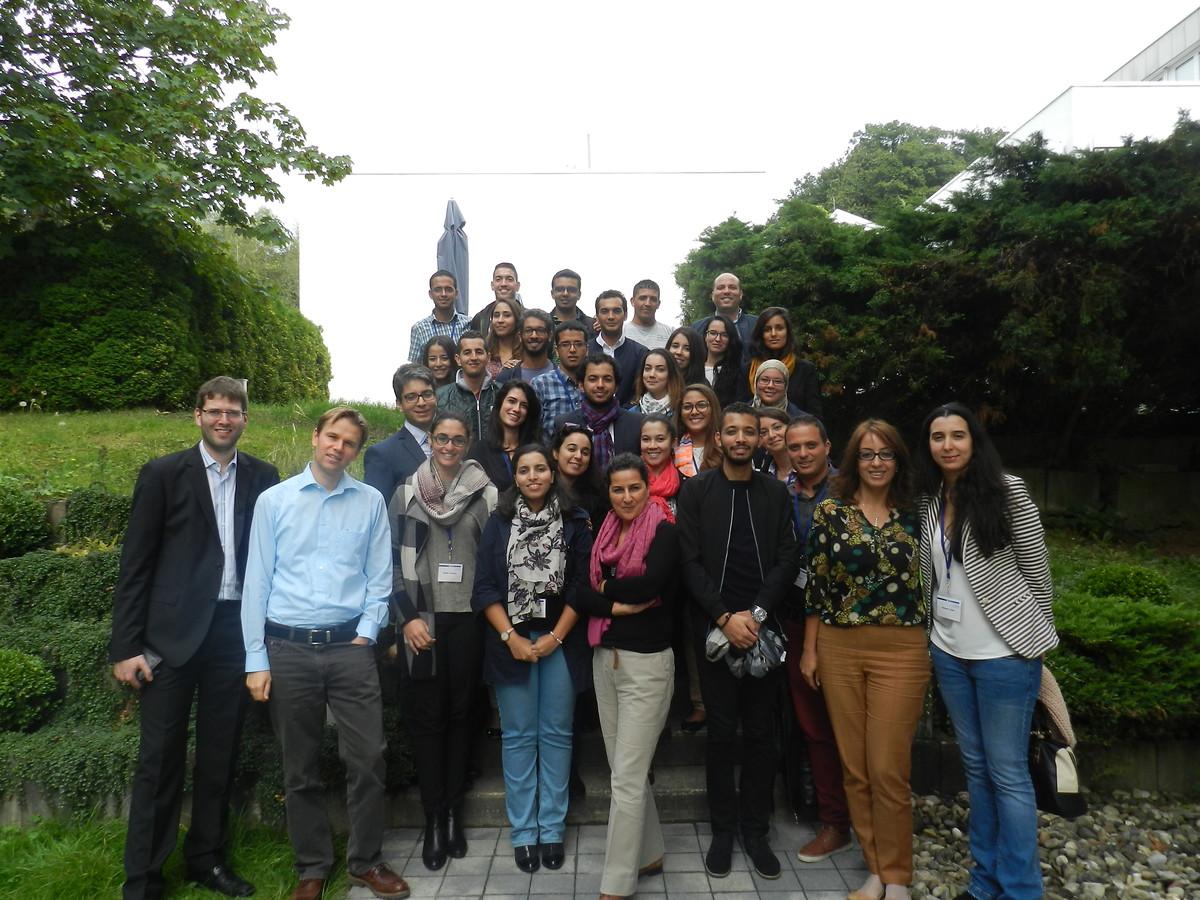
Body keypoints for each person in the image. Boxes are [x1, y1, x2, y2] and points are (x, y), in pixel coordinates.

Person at [109, 376, 280, 900]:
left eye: (233, 411)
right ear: (198, 416)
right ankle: (144, 879)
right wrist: (126, 647)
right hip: (171, 638)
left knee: (219, 755)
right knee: (159, 759)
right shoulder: (163, 474)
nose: (224, 419)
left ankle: (206, 860)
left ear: (245, 418)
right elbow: (135, 564)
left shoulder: (264, 477)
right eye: (214, 410)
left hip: (234, 633)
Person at [242, 407, 407, 900]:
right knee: (300, 766)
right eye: (332, 437)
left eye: (349, 442)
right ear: (315, 437)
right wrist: (256, 658)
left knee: (369, 757)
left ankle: (366, 862)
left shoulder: (369, 502)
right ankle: (311, 866)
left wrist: (368, 632)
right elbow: (257, 581)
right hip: (288, 647)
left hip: (349, 649)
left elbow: (379, 575)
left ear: (356, 451)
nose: (339, 447)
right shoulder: (275, 501)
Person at [915, 403, 1057, 900]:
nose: (948, 445)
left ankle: (1020, 890)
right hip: (949, 651)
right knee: (976, 770)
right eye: (938, 437)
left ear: (974, 440)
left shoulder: (1007, 491)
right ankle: (983, 883)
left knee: (1008, 774)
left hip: (1005, 655)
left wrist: (1035, 637)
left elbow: (1037, 574)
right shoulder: (931, 499)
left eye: (957, 435)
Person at [801, 419, 928, 900]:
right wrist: (810, 650)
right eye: (868, 454)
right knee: (854, 767)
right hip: (839, 646)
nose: (877, 463)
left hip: (901, 649)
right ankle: (876, 870)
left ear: (899, 460)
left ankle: (897, 877)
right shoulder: (830, 511)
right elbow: (816, 586)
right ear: (854, 460)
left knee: (888, 768)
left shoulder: (918, 514)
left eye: (886, 454)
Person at [677, 402, 800, 880]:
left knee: (762, 734)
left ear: (759, 439)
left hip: (763, 632)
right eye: (732, 432)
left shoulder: (774, 492)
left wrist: (757, 615)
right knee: (722, 735)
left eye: (750, 432)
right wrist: (725, 618)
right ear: (719, 438)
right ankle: (723, 831)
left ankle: (756, 830)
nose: (742, 439)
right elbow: (689, 562)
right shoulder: (697, 491)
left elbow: (788, 558)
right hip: (714, 629)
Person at [472, 444, 593, 874]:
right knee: (519, 737)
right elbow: (484, 587)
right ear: (516, 477)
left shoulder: (575, 521)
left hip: (561, 640)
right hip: (512, 643)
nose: (533, 476)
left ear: (552, 472)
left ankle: (552, 828)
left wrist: (556, 637)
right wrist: (510, 637)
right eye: (524, 470)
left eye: (541, 468)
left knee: (557, 735)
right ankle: (524, 832)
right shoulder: (499, 522)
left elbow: (581, 586)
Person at [389, 411, 498, 871]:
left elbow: (495, 560)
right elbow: (390, 562)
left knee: (460, 715)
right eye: (441, 438)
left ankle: (453, 813)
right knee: (428, 719)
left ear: (467, 442)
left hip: (469, 619)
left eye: (457, 439)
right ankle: (433, 817)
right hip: (423, 621)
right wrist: (408, 619)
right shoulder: (406, 492)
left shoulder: (487, 493)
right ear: (430, 441)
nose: (449, 446)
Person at [574, 453, 680, 900]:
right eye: (618, 489)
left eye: (634, 487)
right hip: (606, 659)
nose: (627, 496)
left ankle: (616, 883)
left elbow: (650, 585)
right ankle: (649, 853)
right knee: (624, 769)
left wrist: (605, 590)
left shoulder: (664, 531)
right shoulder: (604, 531)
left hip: (647, 667)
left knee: (628, 777)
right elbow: (580, 591)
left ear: (647, 488)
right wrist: (615, 602)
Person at [781, 415, 852, 864]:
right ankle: (834, 822)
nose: (803, 453)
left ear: (827, 446)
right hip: (795, 620)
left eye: (811, 445)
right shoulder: (783, 494)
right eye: (795, 447)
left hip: (847, 624)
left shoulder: (851, 491)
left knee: (855, 726)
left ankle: (868, 819)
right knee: (815, 727)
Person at [552, 354, 644, 470]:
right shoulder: (564, 424)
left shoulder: (637, 424)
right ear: (581, 385)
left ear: (616, 386)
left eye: (607, 379)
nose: (600, 385)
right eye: (593, 379)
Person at [364, 365, 437, 505]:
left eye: (427, 394)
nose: (421, 403)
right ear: (399, 403)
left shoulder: (455, 443)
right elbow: (375, 510)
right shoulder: (382, 454)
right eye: (411, 397)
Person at [744, 307, 822, 416]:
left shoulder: (805, 370)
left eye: (779, 328)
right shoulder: (747, 369)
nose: (773, 334)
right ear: (760, 334)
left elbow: (814, 415)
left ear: (788, 332)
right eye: (767, 329)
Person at [468, 380, 542, 490]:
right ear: (500, 404)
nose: (516, 409)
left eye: (523, 405)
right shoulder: (480, 451)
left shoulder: (536, 450)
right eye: (512, 401)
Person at [532, 320, 589, 442]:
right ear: (557, 351)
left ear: (587, 349)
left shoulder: (596, 384)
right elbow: (532, 432)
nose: (572, 349)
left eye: (578, 344)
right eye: (565, 344)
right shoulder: (540, 384)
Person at [589, 289, 648, 407]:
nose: (611, 317)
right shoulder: (585, 351)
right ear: (597, 316)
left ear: (625, 315)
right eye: (604, 311)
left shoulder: (641, 353)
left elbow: (642, 393)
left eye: (616, 311)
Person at [436, 330, 498, 442]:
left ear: (488, 357)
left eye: (479, 352)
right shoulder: (440, 397)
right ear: (458, 359)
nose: (473, 357)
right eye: (467, 352)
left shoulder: (502, 392)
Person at [550, 421, 606, 529]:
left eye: (585, 453)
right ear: (556, 453)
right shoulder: (542, 490)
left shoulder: (596, 498)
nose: (578, 456)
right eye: (571, 449)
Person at [408, 270, 469, 362]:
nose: (443, 294)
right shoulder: (419, 328)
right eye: (438, 290)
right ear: (430, 294)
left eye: (448, 289)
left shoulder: (469, 324)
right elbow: (415, 366)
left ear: (456, 293)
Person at [691, 272, 757, 350]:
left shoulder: (758, 325)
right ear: (712, 295)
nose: (726, 291)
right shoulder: (696, 329)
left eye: (732, 287)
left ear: (741, 294)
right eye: (720, 288)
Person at [495, 308, 556, 384]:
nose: (534, 336)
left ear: (550, 335)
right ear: (520, 336)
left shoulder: (563, 375)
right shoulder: (506, 377)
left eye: (540, 330)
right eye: (528, 330)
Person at [674, 383, 722, 479]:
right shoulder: (672, 449)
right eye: (687, 407)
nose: (694, 412)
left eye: (701, 405)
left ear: (713, 409)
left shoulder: (726, 446)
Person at [639, 414, 683, 515]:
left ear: (673, 443)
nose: (652, 446)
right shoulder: (630, 478)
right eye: (646, 439)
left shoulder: (684, 481)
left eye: (660, 439)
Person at [701, 314, 744, 407]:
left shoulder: (739, 374)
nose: (718, 339)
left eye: (724, 335)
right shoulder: (693, 369)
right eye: (713, 333)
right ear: (705, 336)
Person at [468, 261, 521, 334]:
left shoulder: (527, 317)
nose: (503, 284)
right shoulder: (480, 318)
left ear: (517, 286)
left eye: (509, 279)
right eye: (498, 279)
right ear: (492, 285)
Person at [630, 348, 684, 418]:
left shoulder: (682, 411)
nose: (652, 374)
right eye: (647, 368)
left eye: (660, 370)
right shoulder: (631, 414)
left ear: (671, 374)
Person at [623, 279, 673, 349]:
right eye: (642, 298)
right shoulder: (621, 333)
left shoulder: (670, 333)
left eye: (653, 299)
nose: (647, 303)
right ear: (632, 301)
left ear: (658, 304)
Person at [484, 296, 524, 379]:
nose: (500, 320)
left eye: (507, 315)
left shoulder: (526, 350)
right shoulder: (484, 350)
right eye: (496, 315)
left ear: (517, 319)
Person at [548, 268, 595, 332]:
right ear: (552, 294)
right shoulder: (542, 325)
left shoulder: (594, 326)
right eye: (560, 289)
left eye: (571, 290)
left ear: (579, 295)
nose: (565, 294)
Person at [754, 407, 792, 480]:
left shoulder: (808, 464)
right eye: (763, 432)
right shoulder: (761, 473)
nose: (771, 435)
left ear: (790, 427)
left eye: (777, 427)